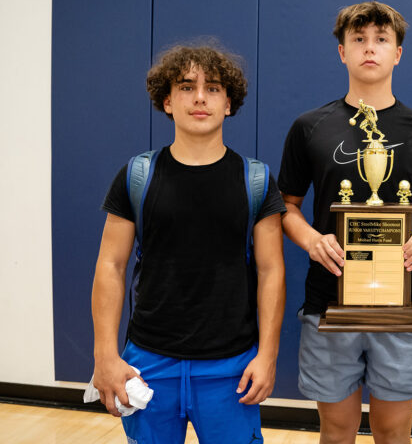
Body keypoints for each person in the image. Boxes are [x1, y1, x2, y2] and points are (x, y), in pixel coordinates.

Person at [279, 1, 412, 444]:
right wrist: (311, 240)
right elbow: (286, 206)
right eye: (358, 40)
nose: (369, 49)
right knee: (336, 429)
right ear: (342, 52)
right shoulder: (310, 127)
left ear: (398, 53)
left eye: (381, 39)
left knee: (392, 430)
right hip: (330, 303)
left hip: (403, 306)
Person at [90, 44, 286, 443]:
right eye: (186, 87)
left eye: (213, 88)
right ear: (167, 100)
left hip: (231, 369)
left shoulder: (257, 180)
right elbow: (110, 265)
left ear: (229, 103)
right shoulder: (136, 176)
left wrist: (267, 356)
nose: (200, 97)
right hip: (148, 363)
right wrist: (105, 355)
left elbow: (271, 271)